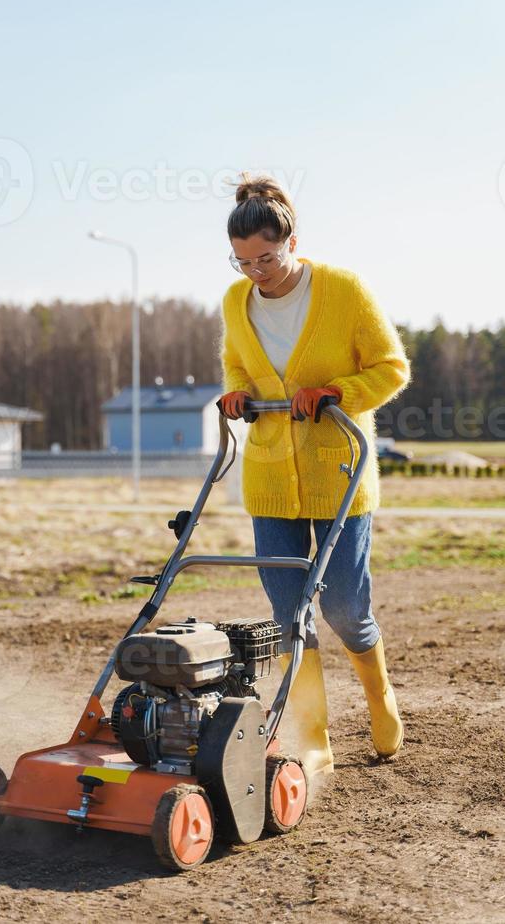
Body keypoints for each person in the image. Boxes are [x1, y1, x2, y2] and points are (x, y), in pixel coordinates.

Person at [218, 172, 410, 778]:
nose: (256, 271)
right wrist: (236, 394)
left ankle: (380, 699)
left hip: (339, 475)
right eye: (243, 260)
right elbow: (235, 363)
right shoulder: (235, 301)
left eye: (266, 257)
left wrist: (336, 392)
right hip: (271, 477)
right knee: (286, 615)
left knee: (347, 607)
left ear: (292, 240)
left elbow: (391, 368)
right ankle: (315, 737)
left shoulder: (343, 290)